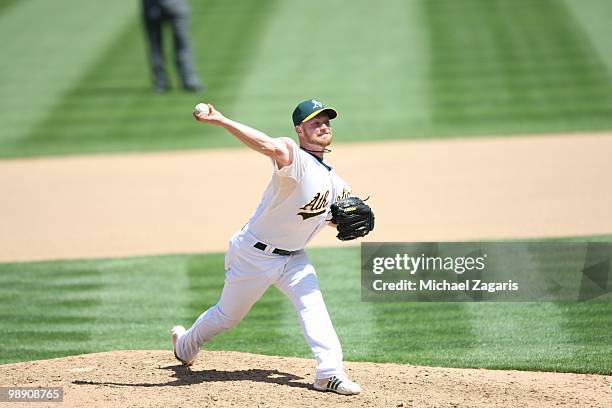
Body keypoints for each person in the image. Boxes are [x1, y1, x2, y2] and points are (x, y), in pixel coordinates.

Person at [171, 99, 362, 395]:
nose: (323, 126)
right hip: (253, 255)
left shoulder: (334, 179)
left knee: (312, 305)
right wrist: (221, 120)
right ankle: (185, 345)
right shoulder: (293, 156)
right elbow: (267, 146)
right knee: (227, 316)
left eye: (326, 121)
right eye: (315, 123)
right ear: (300, 130)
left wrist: (347, 221)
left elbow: (336, 216)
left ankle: (329, 372)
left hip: (294, 258)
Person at [141, 0, 202, 92]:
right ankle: (160, 82)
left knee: (182, 42)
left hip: (177, 5)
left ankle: (189, 80)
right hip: (152, 6)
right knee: (155, 46)